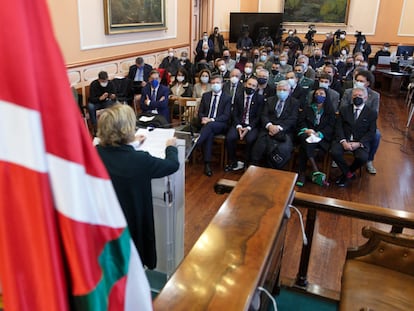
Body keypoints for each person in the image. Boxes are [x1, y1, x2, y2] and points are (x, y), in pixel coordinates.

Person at [96, 104, 179, 269]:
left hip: (106, 224)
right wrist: (171, 147)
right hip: (133, 227)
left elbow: (117, 153)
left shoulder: (96, 153)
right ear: (127, 129)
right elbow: (171, 165)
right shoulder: (140, 161)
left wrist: (132, 143)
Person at [330, 86, 377, 187]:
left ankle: (346, 174)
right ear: (351, 97)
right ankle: (348, 174)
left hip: (359, 142)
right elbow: (338, 127)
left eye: (360, 95)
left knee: (362, 158)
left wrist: (359, 143)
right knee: (334, 152)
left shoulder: (371, 113)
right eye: (355, 95)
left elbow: (371, 132)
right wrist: (343, 141)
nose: (357, 97)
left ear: (365, 98)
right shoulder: (344, 109)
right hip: (344, 139)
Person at [251, 80, 300, 169]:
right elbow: (264, 115)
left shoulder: (294, 102)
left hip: (284, 131)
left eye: (284, 90)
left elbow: (292, 119)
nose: (282, 92)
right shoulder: (269, 100)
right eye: (279, 90)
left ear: (289, 91)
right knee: (259, 145)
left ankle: (276, 169)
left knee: (282, 149)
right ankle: (255, 168)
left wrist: (278, 128)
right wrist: (270, 126)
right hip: (268, 130)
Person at [339, 70, 380, 174]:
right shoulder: (349, 92)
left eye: (361, 81)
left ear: (368, 83)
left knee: (376, 135)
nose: (358, 82)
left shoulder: (374, 95)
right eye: (356, 80)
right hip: (349, 119)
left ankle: (369, 160)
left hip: (365, 123)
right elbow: (343, 107)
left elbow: (374, 112)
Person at [296, 88, 336, 187]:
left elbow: (331, 127)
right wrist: (307, 130)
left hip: (322, 137)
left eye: (321, 94)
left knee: (304, 146)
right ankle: (315, 171)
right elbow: (301, 122)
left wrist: (319, 134)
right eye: (316, 93)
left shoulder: (330, 111)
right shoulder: (308, 108)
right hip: (307, 133)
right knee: (306, 139)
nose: (318, 95)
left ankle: (303, 174)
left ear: (326, 96)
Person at [225, 77, 265, 171]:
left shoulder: (260, 99)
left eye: (253, 86)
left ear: (256, 88)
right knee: (230, 137)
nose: (250, 87)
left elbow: (258, 117)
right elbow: (234, 113)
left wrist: (249, 128)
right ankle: (233, 162)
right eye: (249, 84)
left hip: (251, 125)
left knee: (251, 139)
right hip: (238, 123)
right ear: (245, 84)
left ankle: (246, 163)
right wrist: (238, 126)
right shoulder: (238, 96)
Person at [196, 75, 231, 176]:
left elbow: (226, 116)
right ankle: (207, 164)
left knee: (210, 126)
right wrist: (203, 118)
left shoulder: (227, 97)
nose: (215, 85)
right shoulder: (206, 95)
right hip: (207, 125)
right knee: (209, 134)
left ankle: (196, 143)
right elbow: (201, 112)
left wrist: (211, 120)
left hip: (221, 125)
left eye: (217, 83)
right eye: (213, 83)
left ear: (222, 84)